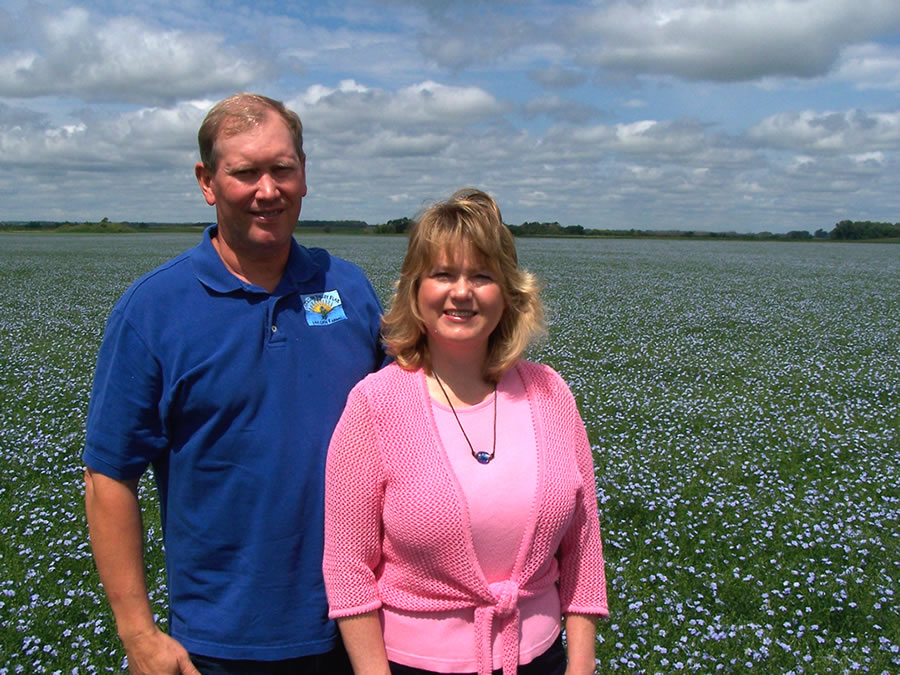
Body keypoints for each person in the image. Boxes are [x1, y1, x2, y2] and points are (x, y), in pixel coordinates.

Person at [83, 93, 384, 674]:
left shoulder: (349, 290)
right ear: (207, 181)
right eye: (245, 172)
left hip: (362, 627)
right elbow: (108, 478)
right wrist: (138, 634)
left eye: (283, 169)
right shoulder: (153, 310)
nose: (267, 190)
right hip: (222, 644)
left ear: (304, 174)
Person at [323, 188, 607, 675]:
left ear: (509, 293)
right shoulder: (375, 404)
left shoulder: (550, 393)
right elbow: (348, 571)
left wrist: (580, 667)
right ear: (415, 289)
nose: (462, 292)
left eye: (482, 275)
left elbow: (583, 551)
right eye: (442, 274)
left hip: (541, 659)